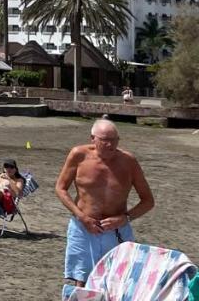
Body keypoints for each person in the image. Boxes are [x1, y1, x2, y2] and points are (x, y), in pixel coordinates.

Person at [56, 119, 154, 290]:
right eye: (105, 140)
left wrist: (125, 218)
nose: (110, 144)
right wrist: (82, 217)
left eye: (115, 140)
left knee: (117, 279)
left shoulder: (129, 161)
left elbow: (148, 201)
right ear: (93, 138)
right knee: (82, 278)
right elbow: (60, 188)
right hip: (83, 227)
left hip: (116, 229)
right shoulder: (79, 155)